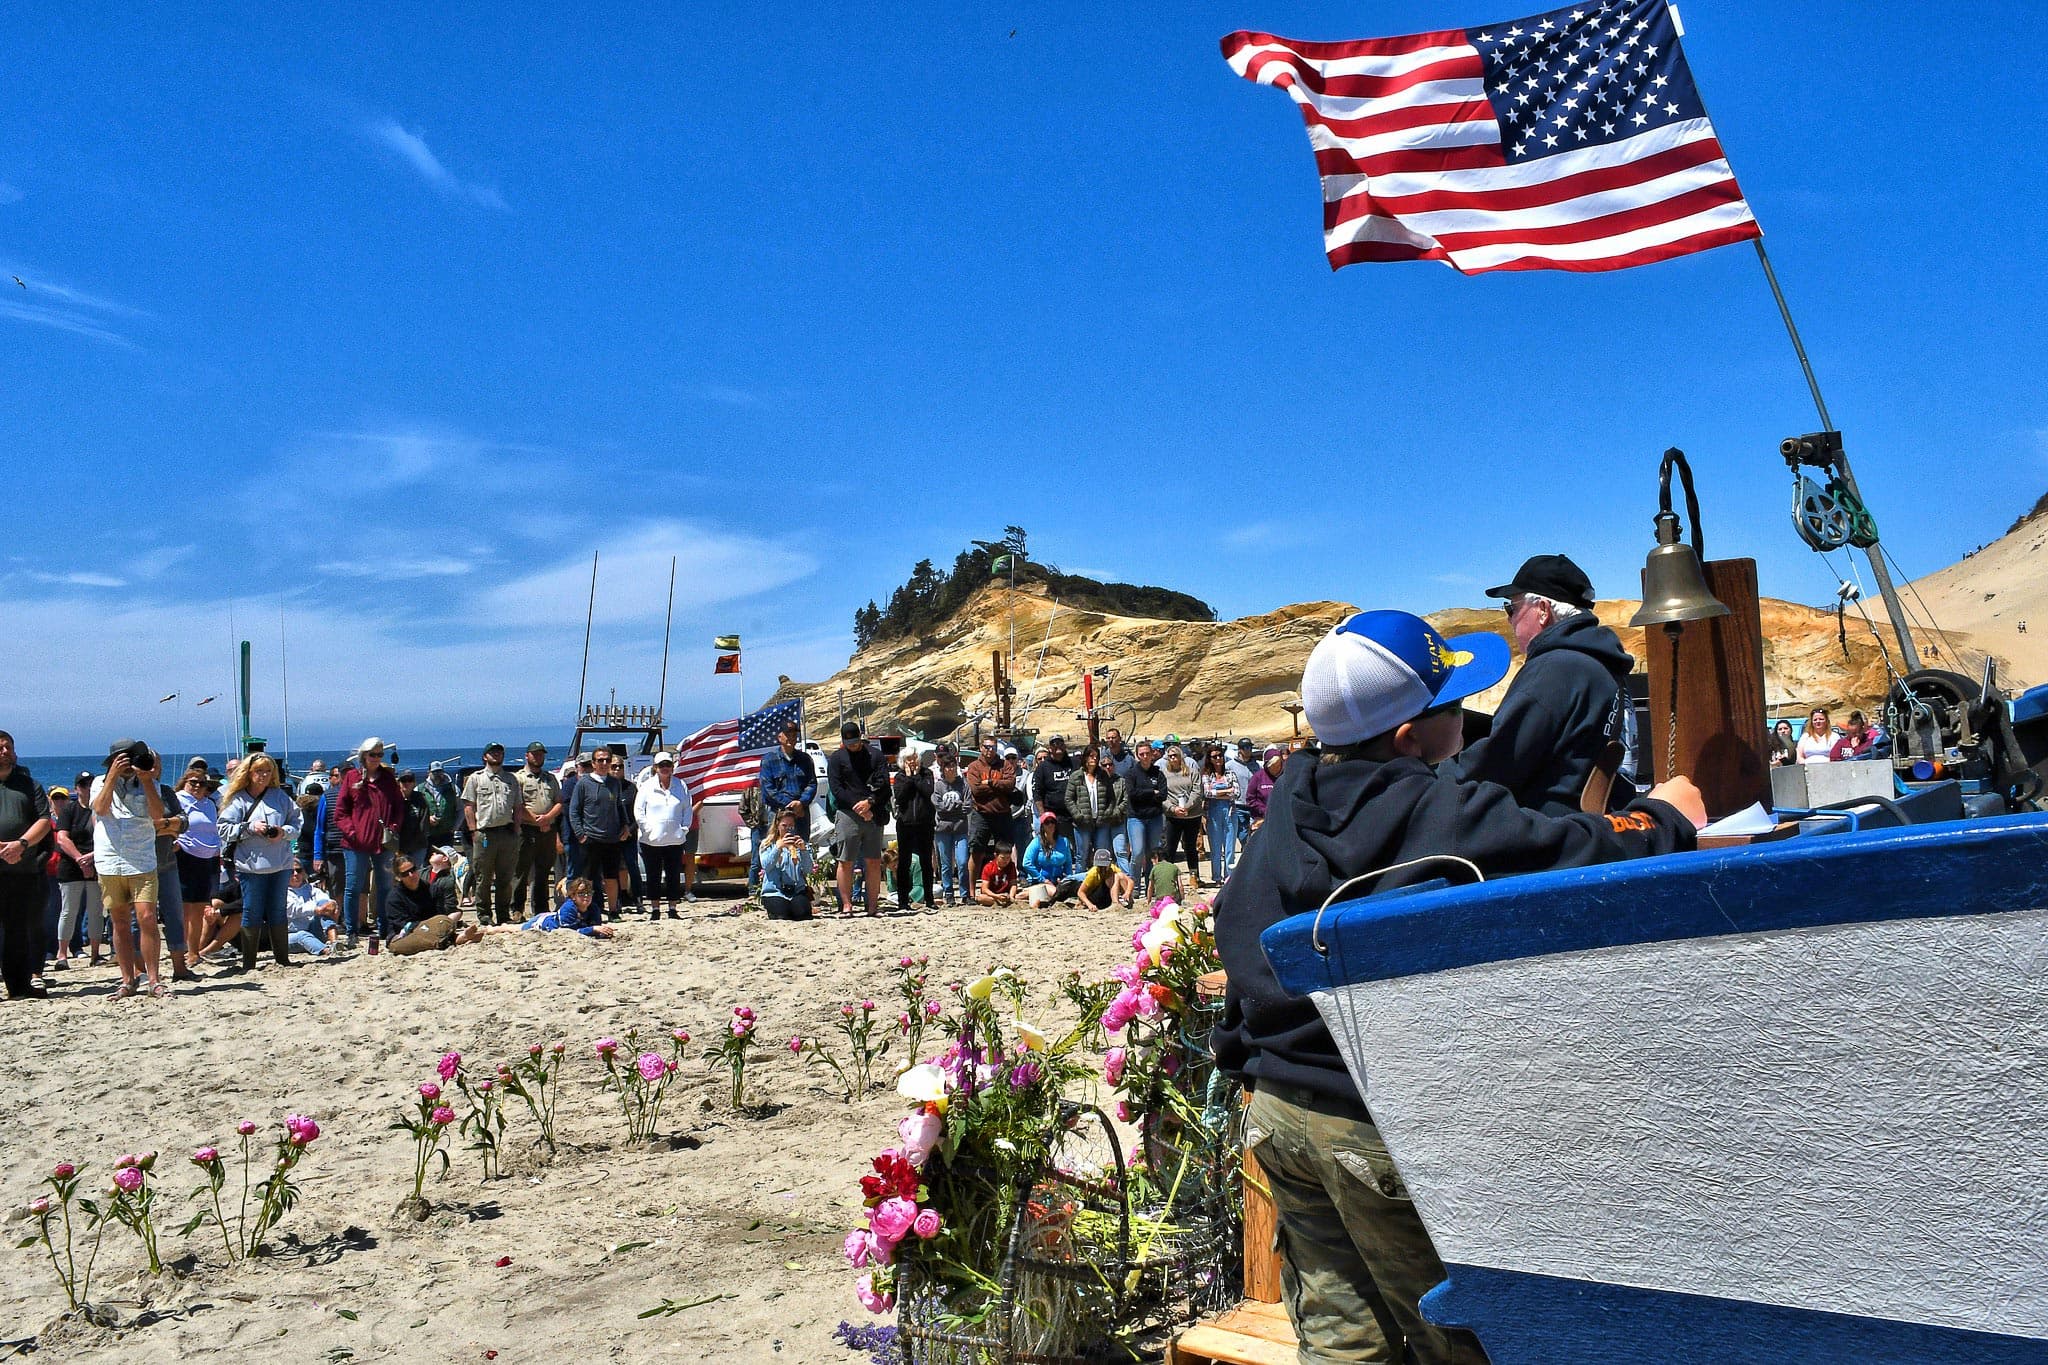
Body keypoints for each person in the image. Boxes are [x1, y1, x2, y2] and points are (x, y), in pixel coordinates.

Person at [1214, 609, 1704, 1365]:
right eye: (1453, 706)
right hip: (1373, 1119)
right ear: (1412, 736)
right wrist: (1667, 814)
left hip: (1282, 1112)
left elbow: (1239, 931)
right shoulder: (1445, 807)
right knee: (1458, 1342)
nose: (1470, 720)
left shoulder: (1287, 802)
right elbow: (1582, 849)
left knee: (1345, 1344)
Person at [1451, 553, 1638, 815]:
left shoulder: (1554, 669)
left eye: (1511, 608)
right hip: (1595, 829)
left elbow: (1491, 768)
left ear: (1542, 611)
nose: (1509, 619)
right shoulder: (1603, 665)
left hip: (1550, 838)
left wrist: (1433, 775)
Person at [216, 753, 303, 972]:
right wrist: (249, 828)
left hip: (281, 864)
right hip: (251, 867)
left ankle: (283, 959)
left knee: (278, 910)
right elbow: (223, 828)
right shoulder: (238, 799)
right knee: (252, 911)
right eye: (259, 771)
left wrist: (283, 832)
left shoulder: (280, 796)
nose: (263, 776)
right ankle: (249, 963)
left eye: (267, 771)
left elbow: (297, 822)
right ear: (249, 772)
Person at [93, 740, 167, 997]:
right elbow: (101, 808)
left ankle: (153, 979)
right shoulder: (98, 783)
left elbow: (158, 815)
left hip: (142, 860)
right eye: (122, 760)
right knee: (120, 922)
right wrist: (112, 776)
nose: (128, 764)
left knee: (147, 918)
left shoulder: (151, 783)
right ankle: (127, 979)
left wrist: (147, 780)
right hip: (110, 860)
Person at [0, 731, 53, 1001]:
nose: (5, 751)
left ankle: (19, 986)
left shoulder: (30, 785)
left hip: (22, 870)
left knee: (18, 931)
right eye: (0, 747)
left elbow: (44, 820)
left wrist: (20, 845)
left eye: (9, 746)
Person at [335, 738, 402, 946]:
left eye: (380, 755)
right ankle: (352, 930)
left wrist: (393, 827)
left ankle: (384, 928)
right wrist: (352, 831)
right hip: (355, 844)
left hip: (382, 843)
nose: (376, 759)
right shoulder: (352, 778)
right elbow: (340, 812)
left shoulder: (388, 779)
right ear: (363, 755)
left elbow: (399, 806)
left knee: (385, 887)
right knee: (353, 887)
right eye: (373, 754)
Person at [827, 722, 890, 915]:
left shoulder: (876, 756)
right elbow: (836, 789)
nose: (853, 746)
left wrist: (870, 803)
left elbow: (885, 785)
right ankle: (847, 905)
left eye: (855, 742)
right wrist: (859, 806)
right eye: (849, 743)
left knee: (873, 860)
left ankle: (872, 906)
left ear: (861, 738)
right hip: (847, 813)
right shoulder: (837, 759)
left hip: (873, 812)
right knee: (845, 860)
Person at [461, 742, 525, 926]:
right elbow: (468, 807)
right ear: (484, 756)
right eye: (492, 752)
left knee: (505, 878)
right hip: (484, 834)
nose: (496, 755)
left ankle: (503, 914)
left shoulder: (511, 779)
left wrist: (517, 828)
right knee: (483, 877)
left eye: (500, 752)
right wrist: (473, 830)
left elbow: (518, 806)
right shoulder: (476, 779)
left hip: (507, 833)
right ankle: (484, 915)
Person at [566, 748, 633, 918]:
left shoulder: (614, 783)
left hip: (612, 839)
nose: (604, 763)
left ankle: (613, 910)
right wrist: (581, 834)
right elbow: (574, 811)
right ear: (594, 763)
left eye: (606, 760)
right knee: (587, 879)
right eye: (600, 760)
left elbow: (619, 806)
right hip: (590, 838)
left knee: (611, 876)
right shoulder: (583, 783)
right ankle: (585, 911)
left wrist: (625, 825)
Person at [754, 721, 817, 892]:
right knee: (776, 848)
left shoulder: (805, 759)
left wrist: (801, 802)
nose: (791, 737)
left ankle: (802, 888)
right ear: (779, 736)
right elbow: (768, 789)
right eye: (787, 734)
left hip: (801, 813)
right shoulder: (769, 760)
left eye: (794, 734)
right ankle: (775, 888)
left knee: (801, 846)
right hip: (778, 814)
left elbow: (812, 783)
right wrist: (789, 806)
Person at [53, 774, 104, 970]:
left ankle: (96, 953)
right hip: (71, 867)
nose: (88, 788)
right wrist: (80, 860)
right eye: (83, 785)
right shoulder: (69, 810)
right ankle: (62, 954)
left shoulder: (100, 809)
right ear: (76, 788)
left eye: (91, 784)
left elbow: (107, 837)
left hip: (97, 863)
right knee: (68, 911)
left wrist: (91, 858)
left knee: (95, 911)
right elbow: (62, 838)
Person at [634, 753, 693, 919]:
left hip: (675, 839)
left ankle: (673, 908)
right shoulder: (646, 786)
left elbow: (687, 809)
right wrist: (647, 830)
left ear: (672, 767)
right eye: (661, 765)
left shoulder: (681, 785)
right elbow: (639, 811)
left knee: (673, 874)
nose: (665, 768)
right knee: (653, 875)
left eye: (668, 764)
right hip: (651, 841)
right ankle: (655, 909)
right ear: (655, 768)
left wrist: (684, 829)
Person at [175, 766, 221, 971]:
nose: (196, 786)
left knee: (199, 908)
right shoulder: (177, 799)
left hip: (207, 857)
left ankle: (194, 951)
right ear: (184, 782)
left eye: (201, 783)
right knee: (184, 908)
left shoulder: (209, 804)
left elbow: (214, 828)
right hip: (184, 854)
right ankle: (181, 950)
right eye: (192, 781)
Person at [512, 742, 564, 922]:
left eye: (541, 754)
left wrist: (548, 818)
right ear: (527, 756)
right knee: (521, 871)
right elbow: (518, 804)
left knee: (543, 871)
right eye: (535, 754)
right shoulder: (519, 778)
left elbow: (559, 801)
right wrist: (536, 819)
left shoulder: (550, 778)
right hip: (526, 829)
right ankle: (517, 908)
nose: (538, 757)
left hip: (548, 829)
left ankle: (541, 907)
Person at [963, 736, 1015, 897]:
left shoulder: (1005, 764)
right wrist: (999, 786)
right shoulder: (974, 767)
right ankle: (971, 892)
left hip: (1002, 814)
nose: (989, 750)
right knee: (976, 852)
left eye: (992, 747)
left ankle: (1007, 889)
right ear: (981, 747)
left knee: (1006, 852)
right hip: (981, 814)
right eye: (986, 746)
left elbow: (1010, 785)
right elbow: (976, 790)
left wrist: (990, 783)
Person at [890, 749, 937, 912]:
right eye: (908, 759)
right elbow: (900, 796)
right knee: (904, 862)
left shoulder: (927, 774)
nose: (912, 761)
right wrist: (909, 778)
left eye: (914, 758)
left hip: (925, 823)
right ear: (903, 761)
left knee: (926, 862)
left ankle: (929, 899)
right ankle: (903, 901)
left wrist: (916, 776)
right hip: (906, 823)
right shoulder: (900, 777)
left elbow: (927, 791)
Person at [1064, 744, 1124, 873]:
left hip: (1101, 822)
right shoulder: (1076, 776)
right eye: (1091, 756)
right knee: (1082, 856)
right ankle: (1079, 886)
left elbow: (1111, 798)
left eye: (1096, 757)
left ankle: (1101, 885)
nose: (1094, 759)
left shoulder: (1103, 775)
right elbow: (1069, 799)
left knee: (1102, 855)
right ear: (1085, 758)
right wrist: (1078, 816)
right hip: (1082, 823)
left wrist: (1107, 813)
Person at [1119, 740, 1168, 881]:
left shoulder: (1158, 773)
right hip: (1136, 817)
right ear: (1137, 756)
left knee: (1152, 852)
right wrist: (1152, 792)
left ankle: (1150, 884)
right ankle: (1133, 884)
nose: (1145, 756)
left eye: (1147, 753)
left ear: (1152, 754)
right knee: (1138, 852)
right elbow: (1132, 795)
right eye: (1142, 754)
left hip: (1155, 817)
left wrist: (1145, 794)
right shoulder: (1131, 774)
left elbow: (1163, 795)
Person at [759, 804, 815, 921]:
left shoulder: (801, 844)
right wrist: (777, 848)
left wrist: (803, 851)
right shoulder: (767, 844)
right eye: (784, 826)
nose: (788, 829)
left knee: (802, 913)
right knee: (781, 914)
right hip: (774, 891)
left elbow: (808, 870)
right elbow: (766, 866)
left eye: (791, 826)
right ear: (777, 826)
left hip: (796, 890)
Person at [930, 752, 971, 907]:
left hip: (960, 828)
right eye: (948, 766)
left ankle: (965, 893)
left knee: (962, 861)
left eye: (953, 766)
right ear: (943, 768)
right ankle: (948, 893)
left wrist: (954, 808)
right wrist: (955, 806)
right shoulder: (938, 786)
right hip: (942, 829)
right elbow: (939, 807)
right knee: (946, 863)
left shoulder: (963, 784)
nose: (951, 769)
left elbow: (968, 806)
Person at [1161, 744, 1204, 877]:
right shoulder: (1163, 773)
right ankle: (1168, 877)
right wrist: (1173, 808)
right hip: (1173, 816)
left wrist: (1187, 806)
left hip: (1192, 815)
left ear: (1181, 757)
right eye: (1170, 756)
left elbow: (1197, 791)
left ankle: (1194, 876)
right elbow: (1162, 795)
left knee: (1190, 846)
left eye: (1175, 755)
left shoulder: (1192, 771)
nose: (1173, 758)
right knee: (1170, 847)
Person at [521, 877, 615, 937]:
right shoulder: (568, 908)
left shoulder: (593, 907)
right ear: (573, 896)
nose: (586, 896)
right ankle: (505, 926)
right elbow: (569, 932)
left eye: (589, 893)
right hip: (543, 922)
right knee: (517, 929)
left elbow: (595, 926)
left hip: (555, 916)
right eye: (581, 893)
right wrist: (593, 929)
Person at [1019, 813, 1078, 907]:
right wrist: (1042, 879)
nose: (1050, 825)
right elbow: (1026, 863)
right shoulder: (1036, 842)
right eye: (1047, 822)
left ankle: (1033, 896)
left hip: (1057, 880)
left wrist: (1068, 879)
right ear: (1042, 826)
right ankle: (1025, 895)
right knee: (1056, 893)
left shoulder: (1064, 841)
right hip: (1039, 881)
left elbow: (1068, 863)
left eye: (1053, 822)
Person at [285, 863, 341, 956]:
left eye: (298, 870)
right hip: (290, 935)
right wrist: (317, 910)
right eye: (291, 871)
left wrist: (332, 904)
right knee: (302, 935)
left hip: (313, 929)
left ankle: (334, 942)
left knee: (324, 903)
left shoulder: (311, 889)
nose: (295, 874)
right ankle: (326, 950)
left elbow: (325, 900)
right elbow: (293, 910)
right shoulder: (281, 893)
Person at [1032, 735, 1077, 841]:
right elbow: (1037, 793)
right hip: (1053, 817)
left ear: (1065, 746)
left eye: (1061, 743)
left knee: (1078, 850)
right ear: (1049, 748)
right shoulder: (1042, 767)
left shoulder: (1075, 763)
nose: (1058, 746)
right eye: (1054, 744)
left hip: (1075, 815)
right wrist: (1044, 816)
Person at [383, 856, 437, 938]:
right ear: (399, 877)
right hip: (405, 934)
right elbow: (401, 924)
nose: (411, 875)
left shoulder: (429, 888)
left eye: (413, 870)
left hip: (431, 929)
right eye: (405, 874)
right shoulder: (394, 898)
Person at [1226, 739, 1260, 869]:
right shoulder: (1230, 766)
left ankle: (1249, 856)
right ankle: (1247, 855)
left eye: (1250, 747)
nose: (1248, 750)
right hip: (1238, 804)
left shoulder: (1256, 766)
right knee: (1242, 833)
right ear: (1239, 749)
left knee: (1254, 832)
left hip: (1253, 804)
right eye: (1245, 747)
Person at [395, 769, 432, 871]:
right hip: (398, 846)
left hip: (418, 845)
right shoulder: (394, 799)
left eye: (410, 780)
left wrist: (414, 842)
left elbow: (424, 824)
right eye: (403, 780)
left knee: (415, 873)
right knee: (399, 874)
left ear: (414, 783)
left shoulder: (420, 798)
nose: (407, 783)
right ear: (399, 782)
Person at [973, 841, 1018, 907]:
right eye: (1002, 858)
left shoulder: (1011, 866)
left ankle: (1006, 902)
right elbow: (984, 889)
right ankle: (1000, 902)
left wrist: (1011, 896)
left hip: (1006, 895)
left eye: (1008, 858)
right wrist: (996, 896)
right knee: (980, 898)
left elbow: (1013, 884)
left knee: (1024, 894)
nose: (1005, 861)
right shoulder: (988, 867)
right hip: (993, 895)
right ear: (996, 855)